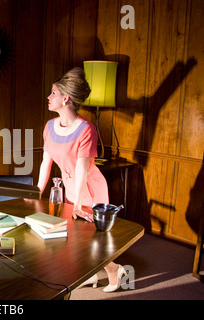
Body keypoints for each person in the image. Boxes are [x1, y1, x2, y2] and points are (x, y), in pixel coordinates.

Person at [37, 67, 127, 292]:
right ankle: (89, 275)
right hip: (70, 187)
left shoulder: (87, 130)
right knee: (74, 235)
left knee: (90, 238)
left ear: (66, 98)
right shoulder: (49, 127)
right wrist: (36, 192)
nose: (49, 97)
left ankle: (114, 269)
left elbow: (82, 170)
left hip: (89, 188)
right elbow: (45, 163)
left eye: (53, 93)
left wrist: (77, 204)